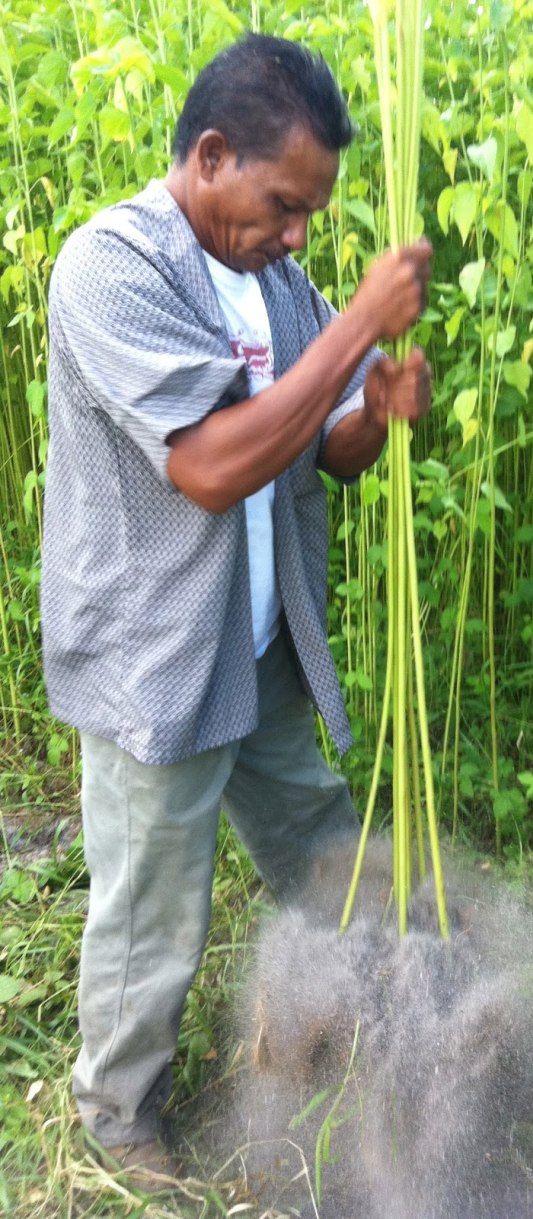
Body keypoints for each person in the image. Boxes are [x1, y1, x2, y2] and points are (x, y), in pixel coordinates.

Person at [41, 32, 432, 1182]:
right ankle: (117, 1117)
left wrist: (373, 411)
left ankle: (366, 1019)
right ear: (211, 156)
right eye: (284, 204)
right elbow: (210, 465)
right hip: (158, 656)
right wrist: (360, 324)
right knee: (153, 902)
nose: (298, 233)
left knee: (318, 832)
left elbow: (327, 449)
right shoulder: (112, 266)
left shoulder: (277, 284)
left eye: (311, 211)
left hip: (258, 642)